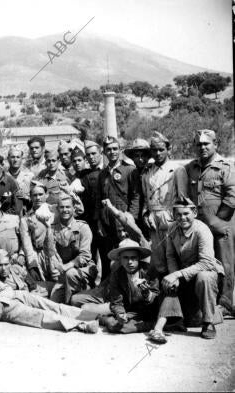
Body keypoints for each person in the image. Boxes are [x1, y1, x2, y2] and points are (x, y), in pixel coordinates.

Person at [0, 259, 99, 334]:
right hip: (7, 311)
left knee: (51, 305)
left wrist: (0, 302)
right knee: (41, 316)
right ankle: (81, 325)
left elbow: (5, 287)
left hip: (14, 295)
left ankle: (93, 316)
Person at [152, 197, 225, 341]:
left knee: (204, 277)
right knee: (169, 281)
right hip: (186, 273)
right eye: (178, 214)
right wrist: (174, 275)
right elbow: (171, 256)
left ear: (195, 213)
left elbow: (206, 263)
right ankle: (167, 323)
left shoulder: (202, 230)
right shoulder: (172, 229)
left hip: (207, 272)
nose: (182, 218)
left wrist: (178, 274)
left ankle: (208, 322)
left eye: (186, 214)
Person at [184, 129, 235, 316]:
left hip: (222, 224)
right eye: (199, 144)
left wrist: (216, 221)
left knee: (225, 263)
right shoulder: (191, 168)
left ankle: (226, 302)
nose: (202, 147)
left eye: (206, 143)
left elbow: (232, 198)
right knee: (203, 262)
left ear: (216, 144)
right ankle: (206, 302)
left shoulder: (226, 167)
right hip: (199, 225)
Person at [141, 132, 188, 275]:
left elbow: (182, 199)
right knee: (158, 259)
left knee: (173, 257)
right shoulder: (148, 172)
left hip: (170, 218)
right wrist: (145, 214)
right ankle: (162, 291)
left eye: (161, 149)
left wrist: (176, 219)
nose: (158, 153)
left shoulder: (177, 169)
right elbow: (145, 197)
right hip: (153, 219)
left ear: (168, 149)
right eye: (154, 150)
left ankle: (176, 292)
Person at [95, 136, 140, 281]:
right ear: (104, 152)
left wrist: (131, 218)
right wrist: (100, 222)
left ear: (120, 150)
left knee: (126, 256)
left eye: (115, 149)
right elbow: (99, 199)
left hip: (124, 220)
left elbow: (135, 196)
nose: (112, 152)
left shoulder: (129, 170)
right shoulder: (102, 173)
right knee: (111, 257)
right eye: (109, 149)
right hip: (108, 222)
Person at [45, 193, 96, 304]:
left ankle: (71, 308)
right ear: (57, 209)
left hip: (84, 269)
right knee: (54, 301)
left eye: (68, 207)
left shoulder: (83, 228)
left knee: (71, 274)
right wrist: (56, 268)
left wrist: (68, 266)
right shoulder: (52, 229)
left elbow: (85, 256)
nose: (65, 210)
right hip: (63, 273)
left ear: (74, 208)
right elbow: (51, 253)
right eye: (62, 207)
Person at [100, 239, 160, 334]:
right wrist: (120, 314)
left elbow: (157, 297)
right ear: (120, 259)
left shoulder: (149, 271)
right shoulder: (116, 275)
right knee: (114, 325)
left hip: (149, 313)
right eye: (125, 258)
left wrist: (147, 294)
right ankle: (103, 319)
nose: (130, 262)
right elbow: (117, 301)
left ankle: (154, 325)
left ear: (139, 258)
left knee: (118, 326)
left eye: (133, 258)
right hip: (130, 313)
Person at [75, 140, 103, 262]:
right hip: (88, 220)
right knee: (89, 254)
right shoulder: (83, 175)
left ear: (100, 153)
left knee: (106, 254)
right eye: (88, 155)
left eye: (94, 153)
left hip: (104, 220)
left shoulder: (107, 171)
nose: (91, 157)